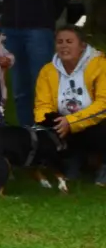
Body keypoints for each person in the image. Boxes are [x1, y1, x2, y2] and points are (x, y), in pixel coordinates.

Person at [34, 25, 106, 183]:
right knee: (48, 131)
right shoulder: (47, 71)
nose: (64, 45)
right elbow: (42, 105)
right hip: (65, 124)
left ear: (82, 46)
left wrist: (72, 121)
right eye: (60, 42)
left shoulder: (101, 65)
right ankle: (73, 160)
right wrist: (52, 123)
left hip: (98, 122)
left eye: (69, 41)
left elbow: (103, 104)